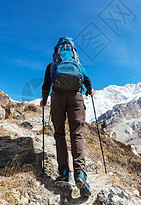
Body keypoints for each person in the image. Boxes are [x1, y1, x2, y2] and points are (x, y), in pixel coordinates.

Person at [40, 37, 94, 198]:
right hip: (76, 97)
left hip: (57, 97)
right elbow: (87, 80)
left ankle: (64, 172)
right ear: (73, 50)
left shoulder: (52, 65)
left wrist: (44, 99)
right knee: (77, 134)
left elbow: (46, 84)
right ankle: (81, 174)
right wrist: (89, 90)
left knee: (59, 134)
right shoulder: (77, 63)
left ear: (57, 50)